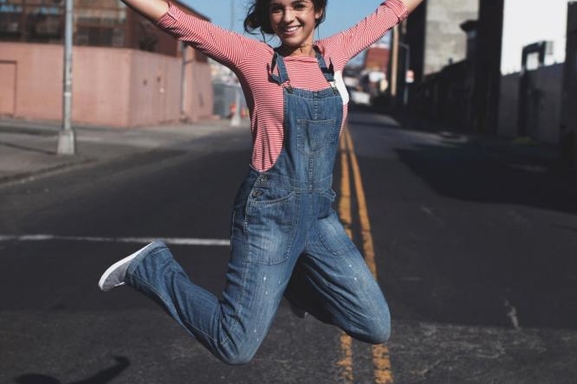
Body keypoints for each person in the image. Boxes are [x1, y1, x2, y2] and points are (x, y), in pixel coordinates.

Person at [99, 0, 424, 365]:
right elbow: (173, 19)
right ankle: (151, 267)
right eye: (277, 9)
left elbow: (394, 10)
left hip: (319, 218)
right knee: (234, 346)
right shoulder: (255, 59)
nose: (288, 17)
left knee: (375, 325)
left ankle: (296, 281)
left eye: (299, 6)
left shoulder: (336, 53)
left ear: (318, 11)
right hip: (269, 216)